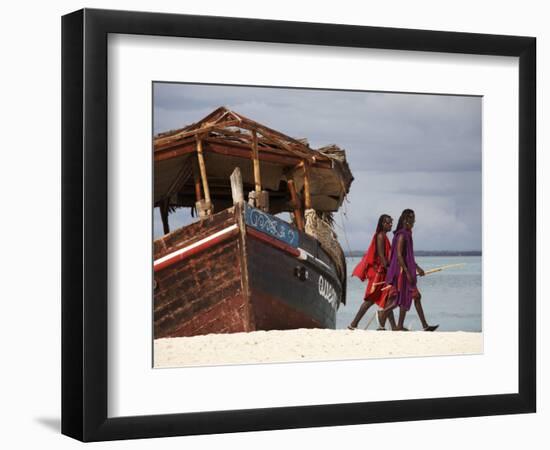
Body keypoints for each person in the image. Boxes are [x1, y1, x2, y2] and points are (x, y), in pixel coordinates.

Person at [382, 209, 438, 331]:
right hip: (403, 271)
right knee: (406, 297)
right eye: (412, 218)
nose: (414, 221)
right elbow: (399, 255)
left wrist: (417, 268)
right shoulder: (402, 235)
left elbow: (408, 256)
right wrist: (407, 272)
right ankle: (390, 318)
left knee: (414, 296)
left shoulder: (407, 234)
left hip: (406, 270)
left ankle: (421, 325)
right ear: (406, 220)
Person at [348, 214, 396, 330]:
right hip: (378, 273)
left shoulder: (384, 236)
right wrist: (390, 269)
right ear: (383, 224)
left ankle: (389, 326)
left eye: (391, 223)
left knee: (387, 297)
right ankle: (353, 324)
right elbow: (381, 256)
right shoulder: (380, 236)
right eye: (388, 223)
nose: (390, 225)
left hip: (382, 272)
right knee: (370, 299)